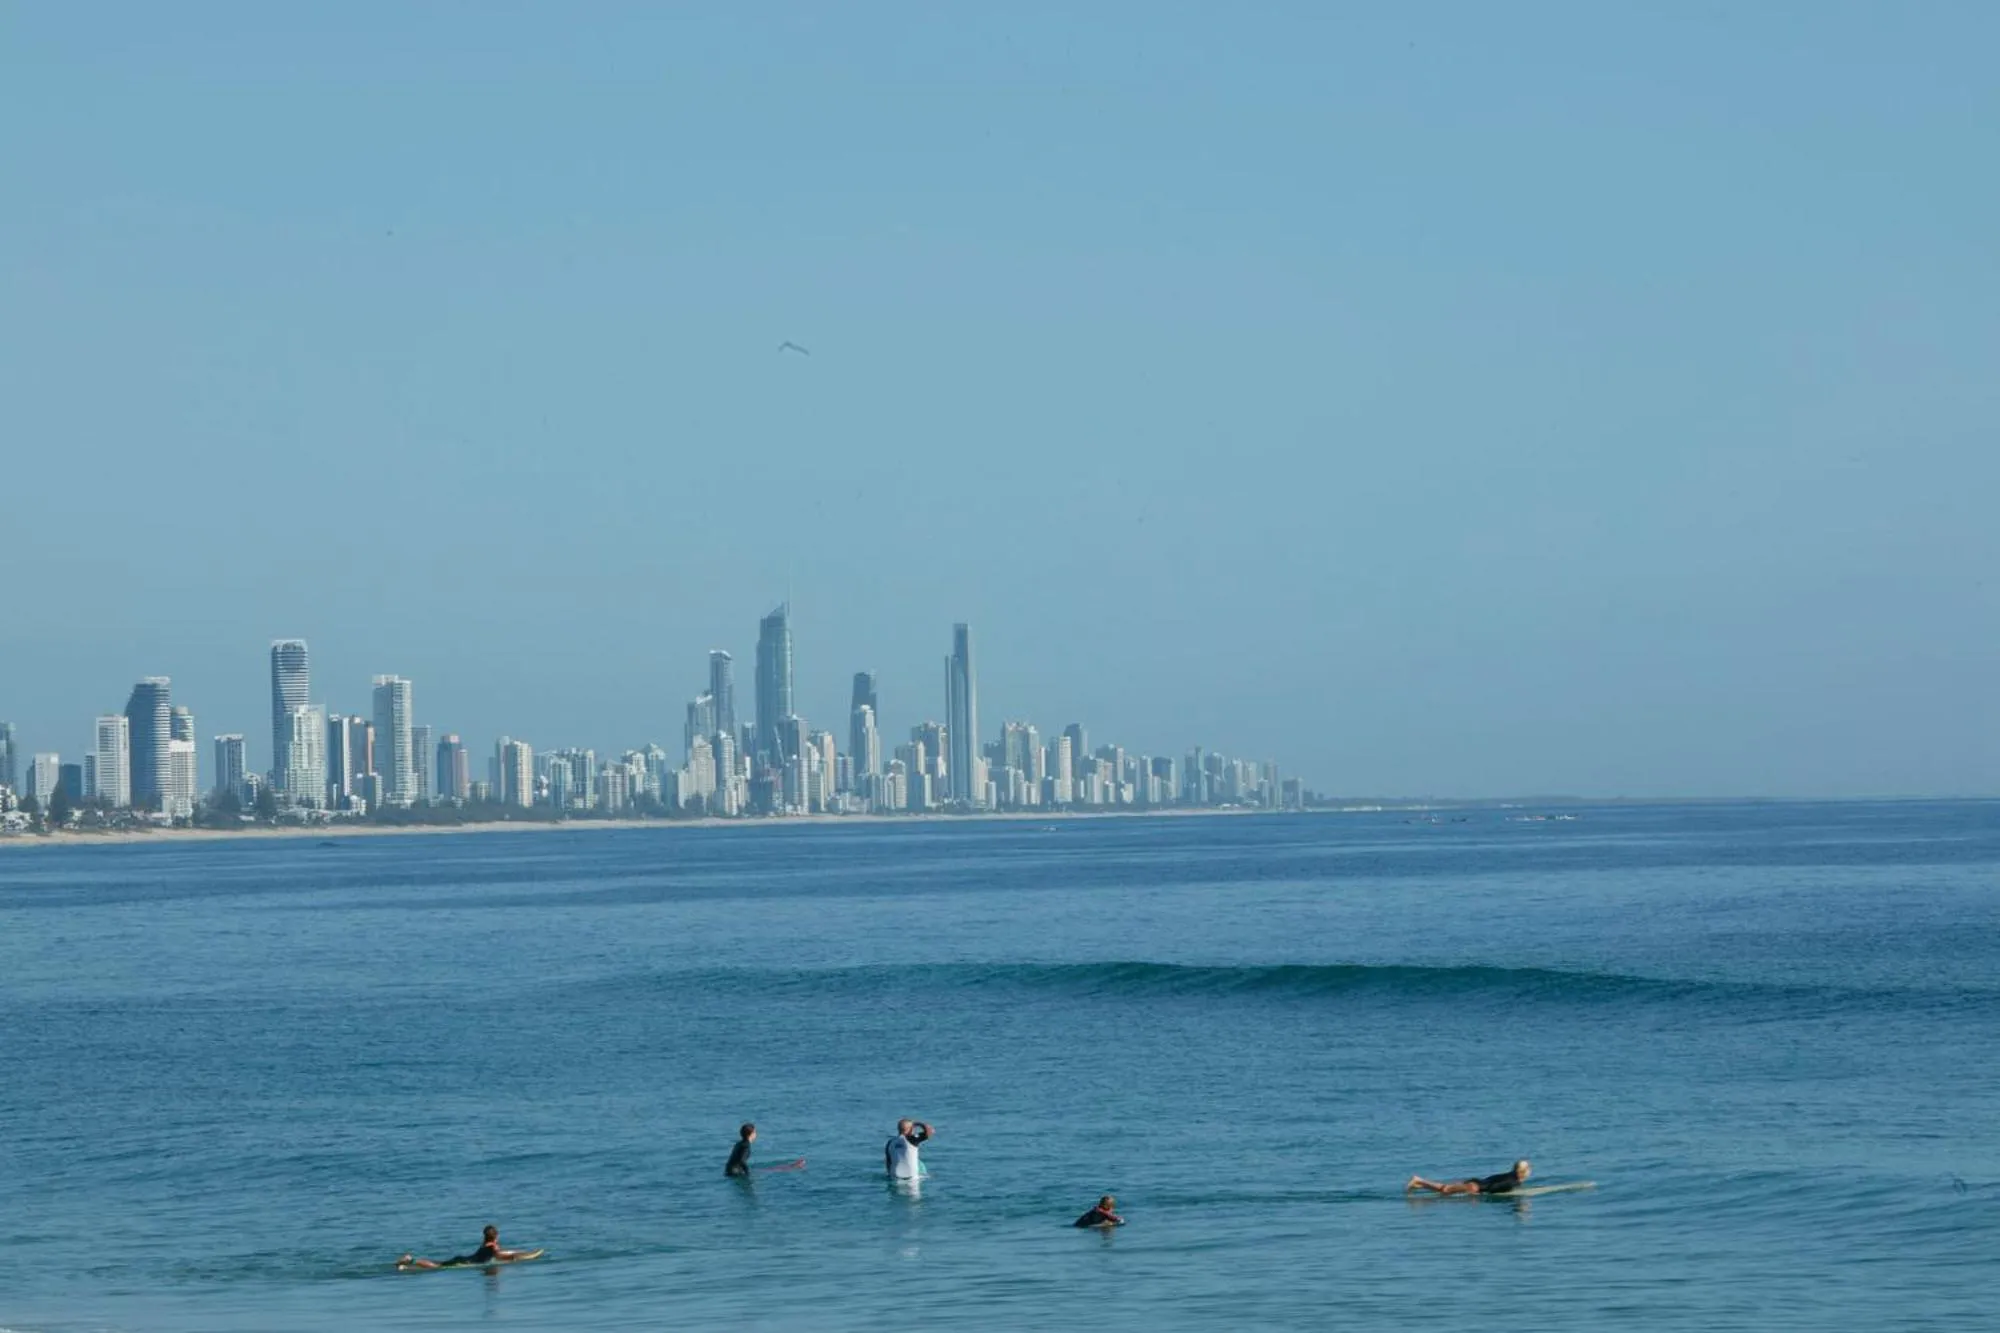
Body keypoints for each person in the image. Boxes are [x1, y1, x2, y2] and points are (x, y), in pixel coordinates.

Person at [397, 1224, 541, 1270]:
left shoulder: (486, 1243)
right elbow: (501, 1255)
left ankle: (409, 1262)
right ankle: (410, 1261)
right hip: (464, 1262)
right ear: (496, 1236)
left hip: (464, 1259)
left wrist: (521, 1253)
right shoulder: (493, 1246)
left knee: (438, 1263)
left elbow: (499, 1253)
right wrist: (518, 1257)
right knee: (437, 1266)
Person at [1406, 1158, 1532, 1196]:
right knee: (1445, 1190)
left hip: (1476, 1182)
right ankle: (1419, 1180)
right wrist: (1477, 1193)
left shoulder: (1510, 1175)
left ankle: (1420, 1185)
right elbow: (1493, 1188)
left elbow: (1492, 1179)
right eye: (1529, 1169)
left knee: (1445, 1191)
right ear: (1524, 1171)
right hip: (1474, 1187)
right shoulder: (1512, 1182)